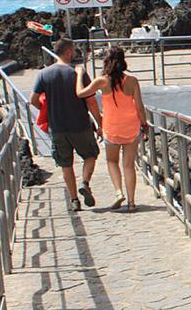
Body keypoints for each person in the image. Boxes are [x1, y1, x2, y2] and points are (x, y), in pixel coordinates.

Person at [30, 37, 101, 211]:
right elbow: (90, 101)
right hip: (80, 125)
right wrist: (100, 122)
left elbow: (33, 100)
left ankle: (74, 200)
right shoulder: (78, 73)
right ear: (68, 51)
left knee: (66, 164)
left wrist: (46, 109)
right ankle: (85, 182)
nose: (75, 52)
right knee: (90, 155)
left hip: (57, 127)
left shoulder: (44, 74)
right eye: (74, 49)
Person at [75, 46, 147, 212]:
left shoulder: (101, 81)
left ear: (106, 61)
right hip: (131, 127)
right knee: (129, 165)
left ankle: (118, 192)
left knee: (112, 161)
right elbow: (140, 107)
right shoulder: (132, 81)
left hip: (112, 127)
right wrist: (144, 124)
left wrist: (79, 74)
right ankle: (131, 202)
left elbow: (80, 93)